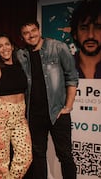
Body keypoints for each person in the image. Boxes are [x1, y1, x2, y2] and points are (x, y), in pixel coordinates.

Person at [16, 19, 79, 179]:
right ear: (22, 37)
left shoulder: (57, 47)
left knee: (65, 155)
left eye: (33, 30)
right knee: (38, 156)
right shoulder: (21, 54)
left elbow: (72, 77)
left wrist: (68, 107)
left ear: (39, 30)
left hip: (57, 112)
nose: (31, 35)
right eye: (26, 33)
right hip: (34, 115)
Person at [0, 33, 32, 179]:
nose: (4, 48)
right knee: (1, 163)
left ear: (12, 46)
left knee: (26, 157)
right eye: (0, 46)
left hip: (19, 116)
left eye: (7, 44)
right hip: (1, 115)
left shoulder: (20, 65)